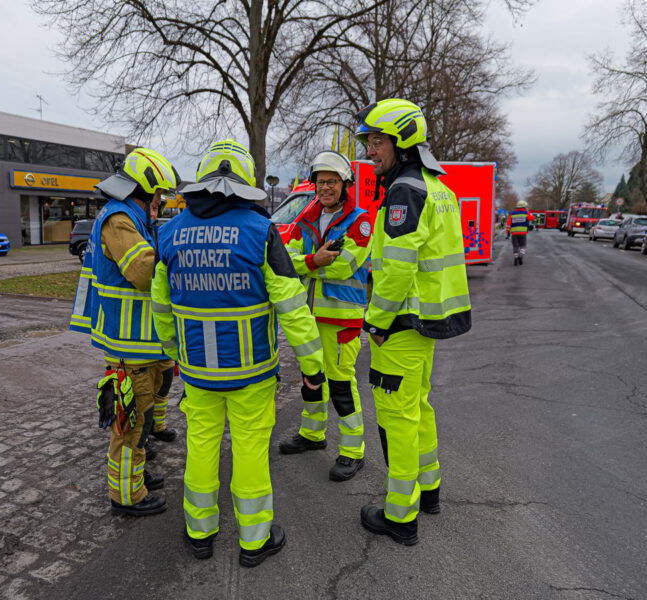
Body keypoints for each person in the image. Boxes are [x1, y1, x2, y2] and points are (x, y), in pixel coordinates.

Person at [151, 139, 325, 567]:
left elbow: (160, 307)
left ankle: (199, 533)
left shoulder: (168, 232)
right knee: (250, 452)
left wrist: (175, 353)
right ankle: (254, 540)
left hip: (197, 374)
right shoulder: (261, 231)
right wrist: (313, 366)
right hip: (251, 374)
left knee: (202, 448)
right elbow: (292, 307)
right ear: (246, 184)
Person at [353, 99, 471, 545]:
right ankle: (428, 491)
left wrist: (376, 321)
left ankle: (400, 516)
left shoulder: (404, 190)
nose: (370, 150)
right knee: (418, 407)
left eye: (377, 141)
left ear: (401, 142)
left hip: (400, 324)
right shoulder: (436, 185)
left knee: (396, 418)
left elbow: (399, 268)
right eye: (369, 141)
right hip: (426, 323)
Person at [69, 148, 179, 517]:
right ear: (143, 189)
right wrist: (183, 259)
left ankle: (137, 472)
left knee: (146, 412)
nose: (161, 202)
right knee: (132, 422)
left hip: (143, 343)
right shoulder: (119, 220)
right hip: (127, 345)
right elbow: (144, 272)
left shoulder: (134, 216)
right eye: (159, 194)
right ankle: (127, 497)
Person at [277, 151, 372, 481]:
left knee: (342, 384)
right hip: (309, 318)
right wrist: (315, 260)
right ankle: (312, 435)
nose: (325, 187)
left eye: (332, 181)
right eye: (321, 182)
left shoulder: (360, 221)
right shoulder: (305, 217)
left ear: (345, 184)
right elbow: (286, 261)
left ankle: (352, 451)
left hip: (342, 320)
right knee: (312, 382)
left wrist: (308, 262)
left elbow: (345, 264)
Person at [507, 200, 531, 265]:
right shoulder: (526, 213)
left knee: (515, 246)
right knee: (523, 245)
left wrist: (507, 232)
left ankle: (515, 258)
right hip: (523, 233)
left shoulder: (512, 213)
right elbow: (532, 218)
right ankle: (520, 256)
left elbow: (508, 223)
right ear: (524, 206)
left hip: (514, 234)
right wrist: (528, 211)